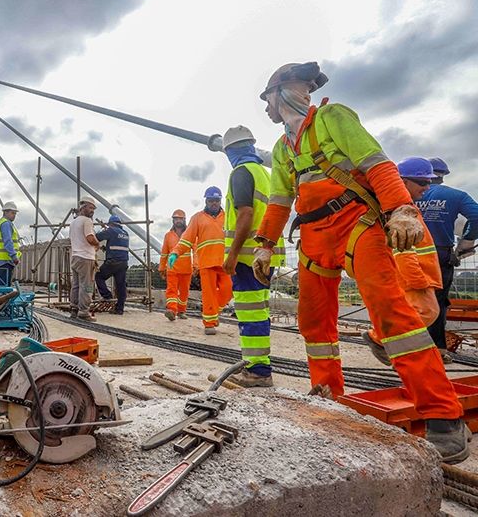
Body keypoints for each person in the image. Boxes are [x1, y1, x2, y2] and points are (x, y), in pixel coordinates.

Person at [253, 61, 468, 462]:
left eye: (266, 97)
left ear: (279, 92)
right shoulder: (284, 148)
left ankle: (443, 415)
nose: (265, 107)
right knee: (314, 321)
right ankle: (329, 396)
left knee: (391, 313)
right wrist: (265, 242)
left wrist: (401, 208)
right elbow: (281, 199)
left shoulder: (332, 117)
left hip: (357, 222)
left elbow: (375, 162)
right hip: (315, 235)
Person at [220, 126, 286, 387]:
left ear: (230, 151)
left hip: (247, 258)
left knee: (249, 313)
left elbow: (245, 215)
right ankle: (259, 367)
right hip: (264, 256)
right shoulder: (264, 174)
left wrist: (233, 254)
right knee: (258, 312)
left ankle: (257, 371)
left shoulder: (240, 173)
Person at [363, 157, 443, 363]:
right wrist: (418, 280)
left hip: (419, 275)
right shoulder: (401, 212)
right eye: (422, 182)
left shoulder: (405, 209)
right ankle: (380, 339)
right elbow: (403, 250)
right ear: (403, 182)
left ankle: (391, 344)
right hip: (416, 277)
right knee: (427, 312)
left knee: (416, 313)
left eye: (429, 182)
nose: (427, 187)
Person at [415, 157, 478, 361]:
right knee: (438, 302)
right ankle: (437, 350)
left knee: (408, 300)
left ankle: (403, 349)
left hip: (408, 254)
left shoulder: (408, 193)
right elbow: (476, 217)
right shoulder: (456, 195)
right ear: (443, 176)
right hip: (441, 256)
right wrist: (466, 242)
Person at [168, 186, 233, 334]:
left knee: (228, 290)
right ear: (206, 200)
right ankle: (209, 323)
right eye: (211, 200)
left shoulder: (229, 216)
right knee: (208, 294)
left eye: (216, 200)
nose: (214, 203)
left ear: (220, 200)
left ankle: (214, 313)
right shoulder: (197, 218)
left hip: (225, 262)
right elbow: (187, 239)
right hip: (206, 263)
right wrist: (175, 252)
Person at [69, 196, 101, 321]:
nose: (92, 210)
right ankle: (83, 311)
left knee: (76, 285)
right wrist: (97, 244)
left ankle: (74, 308)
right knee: (87, 286)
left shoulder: (73, 223)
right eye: (90, 207)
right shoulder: (87, 221)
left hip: (76, 256)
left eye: (94, 208)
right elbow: (89, 238)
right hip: (86, 258)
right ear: (83, 208)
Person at [159, 210, 196, 320]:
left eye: (180, 219)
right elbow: (164, 253)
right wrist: (162, 268)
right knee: (171, 289)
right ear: (173, 221)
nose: (178, 221)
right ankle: (171, 310)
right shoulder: (168, 236)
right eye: (176, 219)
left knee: (184, 291)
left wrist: (196, 265)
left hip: (186, 268)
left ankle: (181, 311)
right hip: (172, 268)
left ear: (184, 220)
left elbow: (195, 251)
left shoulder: (190, 235)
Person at [95, 215, 129, 315]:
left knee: (99, 276)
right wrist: (107, 249)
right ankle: (119, 309)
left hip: (113, 262)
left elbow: (97, 237)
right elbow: (117, 245)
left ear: (111, 224)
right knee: (121, 286)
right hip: (123, 263)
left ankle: (107, 295)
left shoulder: (112, 230)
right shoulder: (126, 233)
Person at [0, 202, 21, 287]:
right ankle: (2, 300)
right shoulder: (6, 224)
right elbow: (8, 242)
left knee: (0, 285)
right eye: (12, 213)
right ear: (5, 212)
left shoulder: (0, 222)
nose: (14, 215)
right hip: (5, 260)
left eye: (15, 213)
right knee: (3, 287)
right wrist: (14, 257)